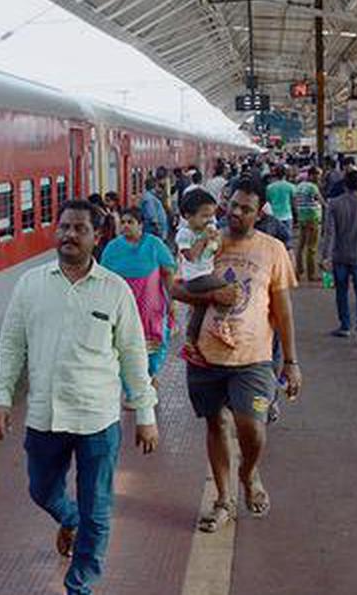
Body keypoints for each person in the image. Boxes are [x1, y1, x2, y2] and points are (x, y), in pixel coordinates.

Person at [0, 199, 159, 595]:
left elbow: (134, 354)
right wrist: (2, 397)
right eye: (64, 227)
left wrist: (146, 414)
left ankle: (79, 584)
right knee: (41, 490)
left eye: (79, 228)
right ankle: (70, 519)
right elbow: (12, 344)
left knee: (98, 509)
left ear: (96, 236)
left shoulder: (114, 290)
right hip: (45, 414)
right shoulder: (30, 284)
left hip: (98, 418)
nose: (69, 235)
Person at [171, 176, 302, 532]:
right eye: (232, 205)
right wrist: (212, 296)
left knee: (253, 427)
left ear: (259, 212)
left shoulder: (272, 249)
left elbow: (283, 309)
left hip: (255, 361)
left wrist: (290, 362)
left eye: (246, 208)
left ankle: (248, 473)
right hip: (206, 357)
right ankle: (224, 499)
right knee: (215, 424)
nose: (236, 213)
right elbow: (177, 289)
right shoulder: (206, 240)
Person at [100, 207, 177, 388]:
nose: (125, 226)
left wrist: (171, 300)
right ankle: (130, 387)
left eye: (130, 222)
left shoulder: (154, 244)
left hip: (151, 306)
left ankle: (150, 373)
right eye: (123, 222)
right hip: (123, 306)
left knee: (155, 339)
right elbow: (103, 278)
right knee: (124, 342)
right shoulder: (113, 248)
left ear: (140, 225)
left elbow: (168, 272)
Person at [175, 189, 234, 360]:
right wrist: (203, 239)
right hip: (194, 279)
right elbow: (191, 256)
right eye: (205, 216)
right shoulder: (184, 234)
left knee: (199, 310)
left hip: (206, 274)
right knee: (229, 289)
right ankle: (220, 323)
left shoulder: (208, 229)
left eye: (212, 215)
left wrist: (216, 240)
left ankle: (190, 340)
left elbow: (215, 252)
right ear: (188, 215)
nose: (210, 220)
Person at [320, 169, 357, 344]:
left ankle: (345, 326)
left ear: (344, 184)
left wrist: (325, 255)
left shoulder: (334, 203)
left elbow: (329, 232)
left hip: (340, 255)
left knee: (341, 292)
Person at [293, 166, 325, 282]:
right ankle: (311, 274)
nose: (319, 178)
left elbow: (295, 201)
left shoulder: (299, 186)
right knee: (312, 247)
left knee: (301, 245)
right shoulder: (313, 187)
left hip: (302, 217)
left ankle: (299, 270)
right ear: (312, 175)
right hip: (313, 218)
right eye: (318, 176)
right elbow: (321, 201)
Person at [265, 165, 297, 246]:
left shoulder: (269, 187)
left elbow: (268, 202)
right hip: (287, 216)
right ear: (285, 174)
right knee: (287, 243)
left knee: (273, 243)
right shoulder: (291, 187)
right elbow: (294, 203)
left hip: (273, 217)